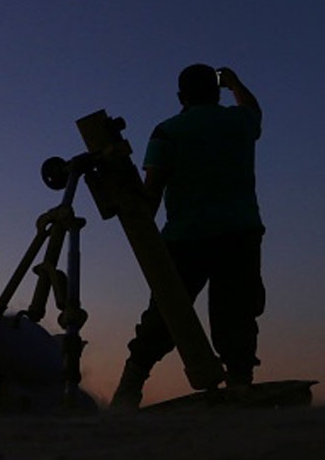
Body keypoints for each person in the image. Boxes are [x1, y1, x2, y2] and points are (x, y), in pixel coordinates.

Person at [111, 65, 265, 409]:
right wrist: (235, 82)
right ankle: (240, 384)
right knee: (237, 312)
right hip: (240, 234)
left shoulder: (168, 131)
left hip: (185, 238)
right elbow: (253, 110)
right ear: (216, 92)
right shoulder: (239, 122)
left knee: (166, 312)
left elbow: (152, 190)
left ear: (181, 97)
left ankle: (129, 388)